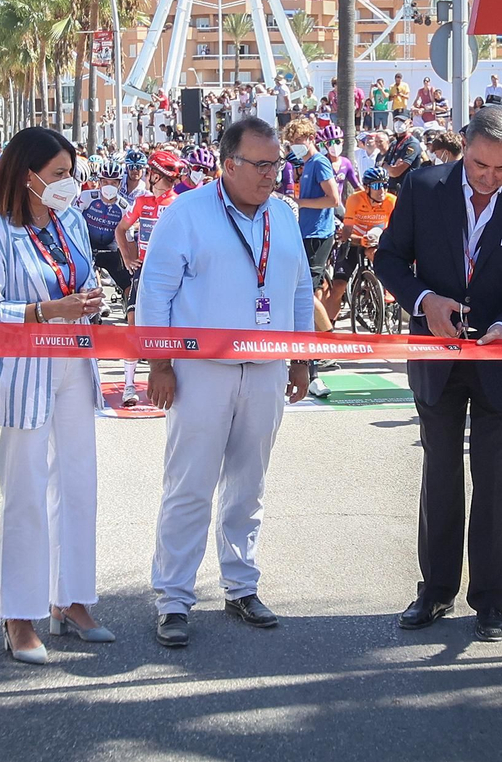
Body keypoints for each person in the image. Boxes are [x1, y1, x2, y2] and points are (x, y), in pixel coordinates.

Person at [375, 104, 502, 641]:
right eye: (481, 165)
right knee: (440, 473)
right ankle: (435, 590)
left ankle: (491, 601)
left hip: (501, 360)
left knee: (497, 480)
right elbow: (389, 259)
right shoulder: (423, 188)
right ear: (464, 147)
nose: (490, 178)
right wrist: (425, 301)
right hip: (437, 357)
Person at [137, 117, 311, 648]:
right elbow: (155, 293)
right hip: (200, 373)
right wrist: (160, 365)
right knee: (189, 486)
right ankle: (173, 598)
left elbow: (300, 290)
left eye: (276, 164)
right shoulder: (186, 213)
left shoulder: (283, 216)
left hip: (266, 371)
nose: (271, 174)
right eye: (260, 164)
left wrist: (301, 360)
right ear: (227, 164)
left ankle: (241, 586)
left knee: (248, 485)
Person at [0, 127, 110, 666]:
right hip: (25, 371)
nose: (69, 183)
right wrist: (46, 311)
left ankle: (70, 600)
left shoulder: (71, 220)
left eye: (71, 172)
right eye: (58, 174)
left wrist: (90, 300)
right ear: (27, 175)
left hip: (75, 361)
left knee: (78, 483)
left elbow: (82, 280)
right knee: (25, 491)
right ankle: (18, 614)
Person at [115, 150, 183, 407]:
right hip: (143, 269)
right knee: (133, 324)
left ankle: (172, 378)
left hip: (170, 271)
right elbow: (121, 229)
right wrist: (127, 258)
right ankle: (129, 385)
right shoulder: (142, 201)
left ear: (155, 176)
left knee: (172, 326)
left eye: (151, 173)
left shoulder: (178, 203)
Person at [285, 116, 344, 398]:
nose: (295, 147)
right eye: (292, 143)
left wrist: (300, 202)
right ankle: (320, 346)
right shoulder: (306, 165)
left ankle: (327, 342)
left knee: (305, 294)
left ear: (310, 138)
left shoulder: (319, 162)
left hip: (318, 234)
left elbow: (333, 199)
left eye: (298, 141)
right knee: (306, 293)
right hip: (307, 233)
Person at [325, 166, 396, 322]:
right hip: (355, 240)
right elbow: (346, 232)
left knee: (374, 254)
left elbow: (397, 229)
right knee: (338, 286)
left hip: (377, 240)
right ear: (367, 188)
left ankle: (386, 286)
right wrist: (360, 240)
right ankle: (329, 326)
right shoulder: (355, 199)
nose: (382, 190)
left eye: (385, 185)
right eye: (377, 185)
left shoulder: (392, 201)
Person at [78, 158, 136, 297]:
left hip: (110, 248)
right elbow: (72, 222)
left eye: (113, 183)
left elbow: (129, 238)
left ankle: (130, 306)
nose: (109, 186)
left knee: (128, 284)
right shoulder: (86, 197)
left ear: (119, 184)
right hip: (86, 246)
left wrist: (132, 264)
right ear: (99, 182)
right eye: (105, 182)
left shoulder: (124, 207)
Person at [381, 116, 425, 194]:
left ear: (410, 123)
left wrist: (389, 168)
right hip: (391, 188)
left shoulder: (412, 144)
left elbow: (396, 172)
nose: (398, 123)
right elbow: (383, 165)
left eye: (402, 121)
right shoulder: (394, 143)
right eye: (396, 120)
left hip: (406, 189)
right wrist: (389, 168)